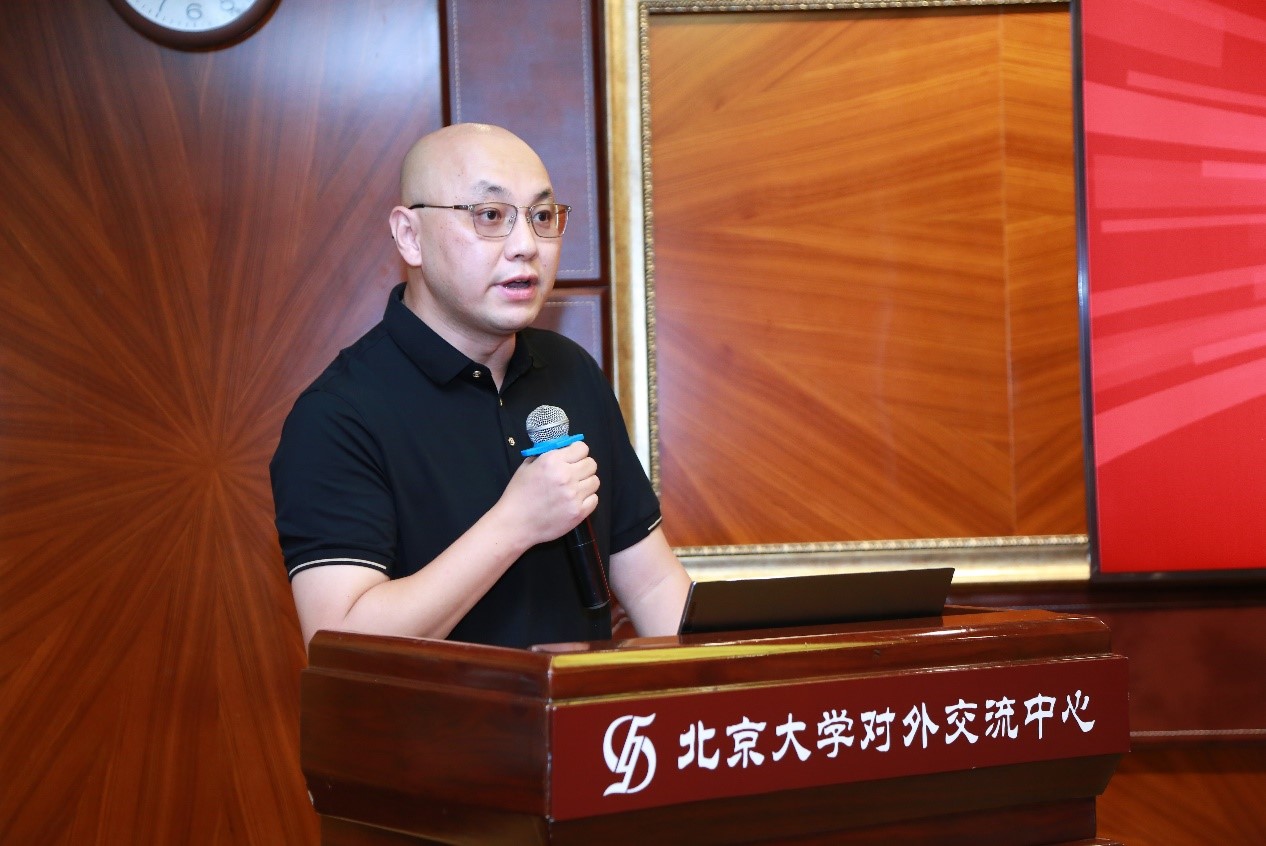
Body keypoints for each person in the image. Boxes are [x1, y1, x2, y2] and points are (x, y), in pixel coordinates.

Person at [270, 123, 691, 651]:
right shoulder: (338, 414)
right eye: (490, 216)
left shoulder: (570, 371)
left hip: (579, 706)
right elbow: (342, 643)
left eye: (541, 217)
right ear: (410, 236)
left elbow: (652, 585)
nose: (526, 246)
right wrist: (514, 524)